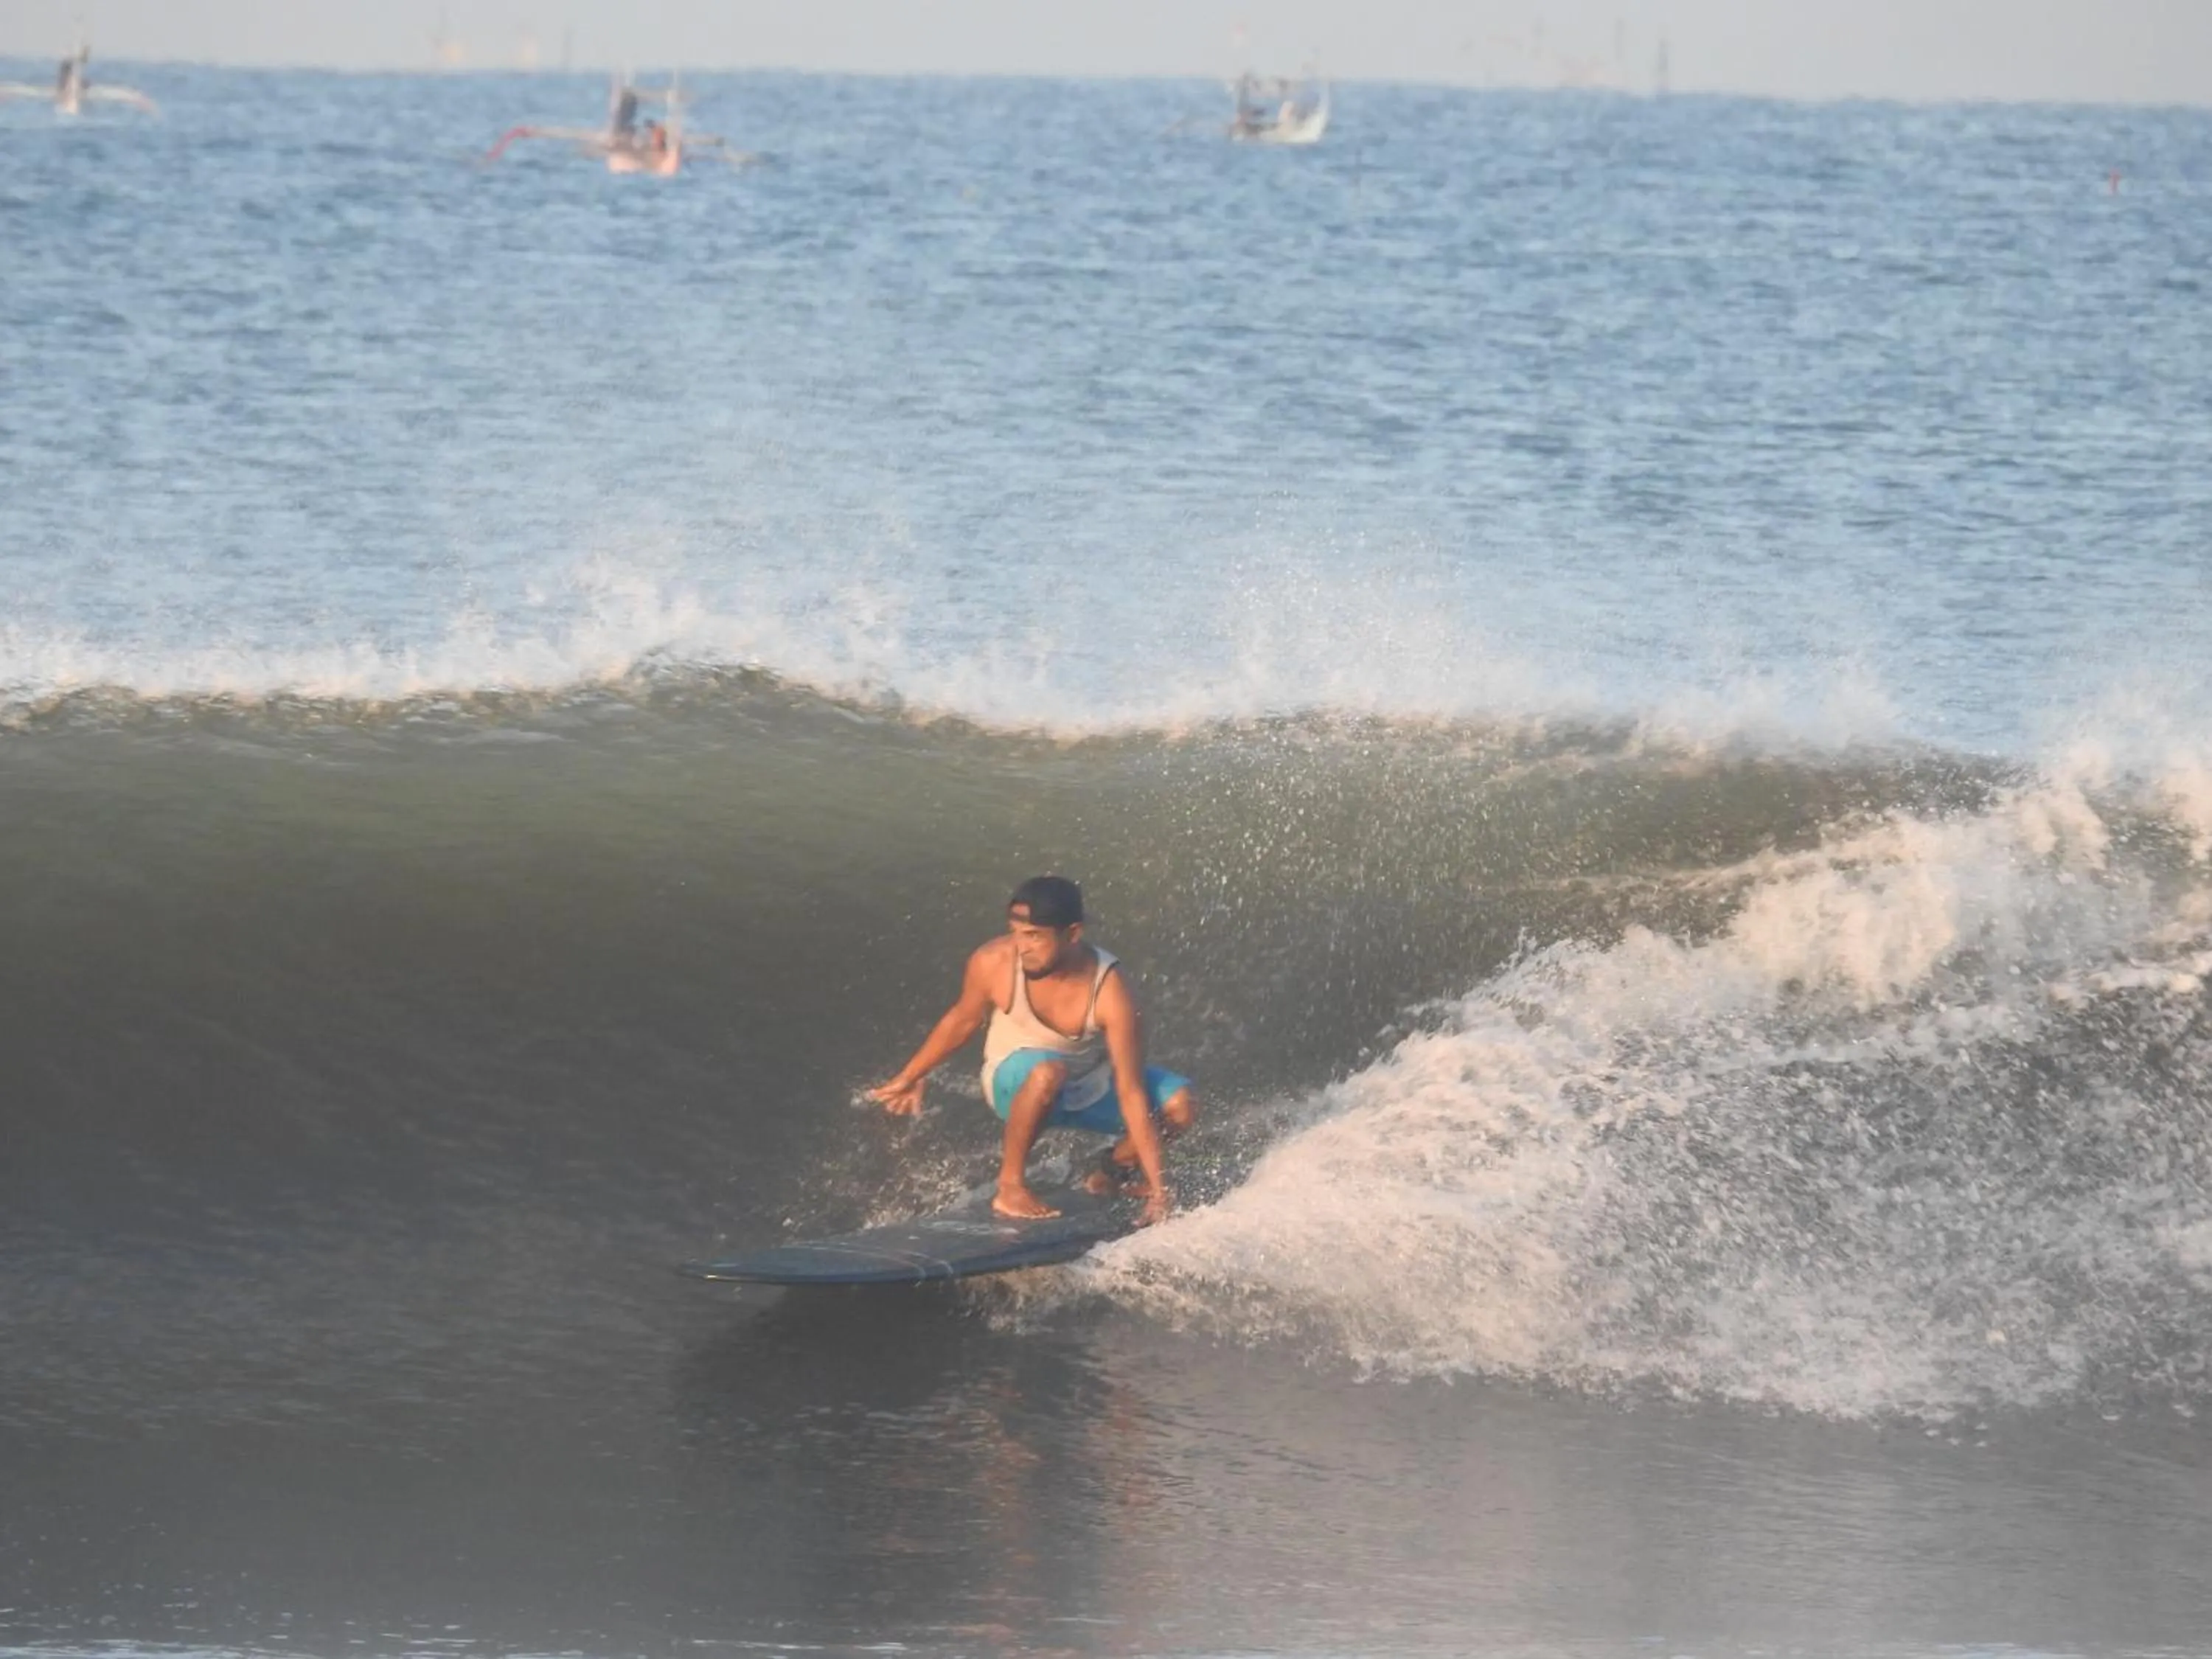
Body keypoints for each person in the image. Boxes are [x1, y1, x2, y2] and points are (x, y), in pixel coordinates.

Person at [869, 876, 1195, 1225]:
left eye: (1035, 936)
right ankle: (1010, 1187)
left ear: (1073, 934)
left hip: (1085, 1083)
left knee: (1181, 1105)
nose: (1022, 947)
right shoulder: (993, 962)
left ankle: (1110, 1173)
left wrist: (1160, 1190)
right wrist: (911, 1076)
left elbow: (1129, 1090)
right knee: (1047, 1073)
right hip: (1014, 1080)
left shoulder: (1111, 990)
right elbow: (962, 1021)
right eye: (1016, 932)